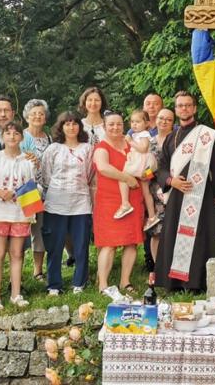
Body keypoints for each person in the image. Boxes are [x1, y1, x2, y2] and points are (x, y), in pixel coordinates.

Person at [154, 91, 215, 292]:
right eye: (180, 106)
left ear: (194, 108)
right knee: (174, 235)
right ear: (176, 110)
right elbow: (161, 167)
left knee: (200, 236)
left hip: (201, 195)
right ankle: (175, 283)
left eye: (187, 105)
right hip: (177, 196)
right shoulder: (170, 138)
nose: (184, 108)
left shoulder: (207, 135)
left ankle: (196, 283)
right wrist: (171, 181)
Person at [41, 112, 95, 295]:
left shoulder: (87, 148)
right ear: (61, 127)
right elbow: (46, 176)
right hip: (56, 202)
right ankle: (54, 285)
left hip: (81, 202)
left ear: (80, 127)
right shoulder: (53, 149)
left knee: (80, 245)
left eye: (74, 124)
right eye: (67, 124)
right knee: (55, 246)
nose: (71, 127)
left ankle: (79, 283)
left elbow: (89, 174)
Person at [0, 122, 37, 308]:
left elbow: (33, 184)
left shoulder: (29, 160)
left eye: (16, 133)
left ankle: (16, 294)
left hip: (20, 213)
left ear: (22, 137)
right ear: (2, 137)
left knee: (17, 254)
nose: (12, 136)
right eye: (8, 133)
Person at [92, 114, 145, 294]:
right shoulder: (102, 147)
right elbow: (103, 167)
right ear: (105, 127)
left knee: (131, 242)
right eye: (111, 124)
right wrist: (126, 178)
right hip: (110, 201)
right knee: (109, 243)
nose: (115, 127)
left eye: (119, 124)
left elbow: (142, 161)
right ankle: (103, 285)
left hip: (134, 198)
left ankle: (125, 281)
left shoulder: (130, 143)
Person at [20, 99, 51, 282]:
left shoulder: (49, 138)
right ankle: (17, 272)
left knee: (39, 230)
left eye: (41, 113)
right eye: (33, 114)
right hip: (24, 189)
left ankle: (37, 270)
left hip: (45, 191)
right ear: (27, 117)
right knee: (22, 231)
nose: (37, 116)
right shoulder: (20, 136)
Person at [143, 108, 175, 271]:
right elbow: (143, 164)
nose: (164, 122)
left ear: (173, 123)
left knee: (173, 230)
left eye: (168, 119)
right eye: (161, 118)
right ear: (156, 120)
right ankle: (157, 269)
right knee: (157, 231)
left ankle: (172, 267)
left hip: (174, 189)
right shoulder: (149, 141)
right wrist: (147, 175)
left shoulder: (177, 140)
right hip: (154, 191)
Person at [115, 110, 157, 225]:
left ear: (147, 123)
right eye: (132, 121)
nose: (134, 124)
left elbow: (143, 149)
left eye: (138, 122)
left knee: (123, 177)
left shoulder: (144, 134)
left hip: (142, 163)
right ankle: (152, 217)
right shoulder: (138, 134)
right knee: (145, 191)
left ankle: (125, 203)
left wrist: (130, 141)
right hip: (147, 166)